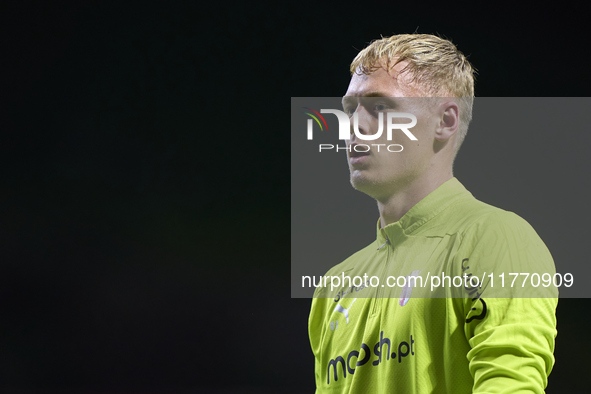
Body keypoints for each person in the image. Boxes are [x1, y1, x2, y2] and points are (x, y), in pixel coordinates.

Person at [308, 34, 558, 393]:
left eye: (379, 108)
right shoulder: (333, 286)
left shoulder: (496, 239)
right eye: (350, 109)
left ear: (445, 120)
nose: (354, 126)